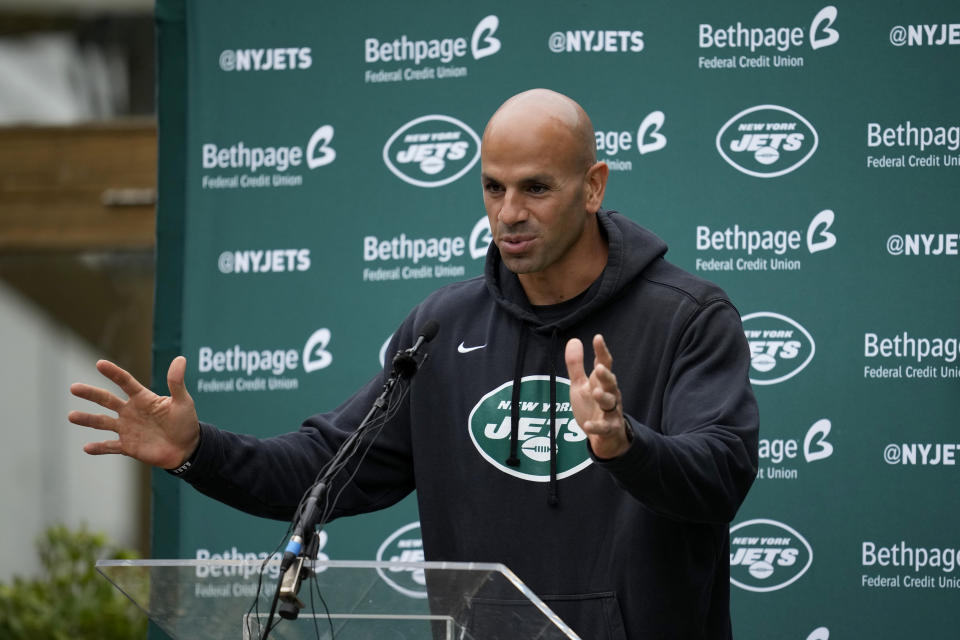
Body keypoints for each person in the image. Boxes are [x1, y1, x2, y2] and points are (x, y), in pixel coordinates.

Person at [70, 89, 759, 639]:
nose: (509, 214)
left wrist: (624, 444)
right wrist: (197, 450)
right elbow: (325, 470)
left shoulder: (686, 318)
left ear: (593, 186)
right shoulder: (443, 328)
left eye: (535, 189)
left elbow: (721, 474)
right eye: (493, 188)